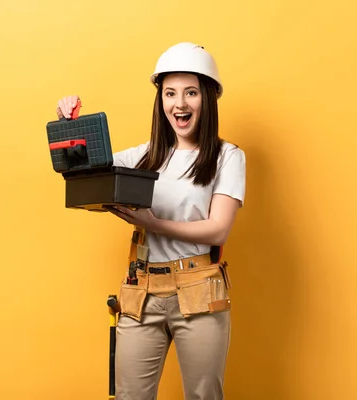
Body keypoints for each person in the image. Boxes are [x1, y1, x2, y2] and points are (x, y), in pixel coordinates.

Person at [55, 42, 246, 400]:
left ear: (207, 99)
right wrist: (70, 124)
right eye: (170, 93)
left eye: (191, 92)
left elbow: (218, 228)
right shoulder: (144, 155)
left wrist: (154, 223)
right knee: (129, 396)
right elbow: (85, 165)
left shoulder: (227, 157)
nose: (180, 103)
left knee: (204, 395)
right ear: (160, 101)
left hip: (198, 290)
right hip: (141, 291)